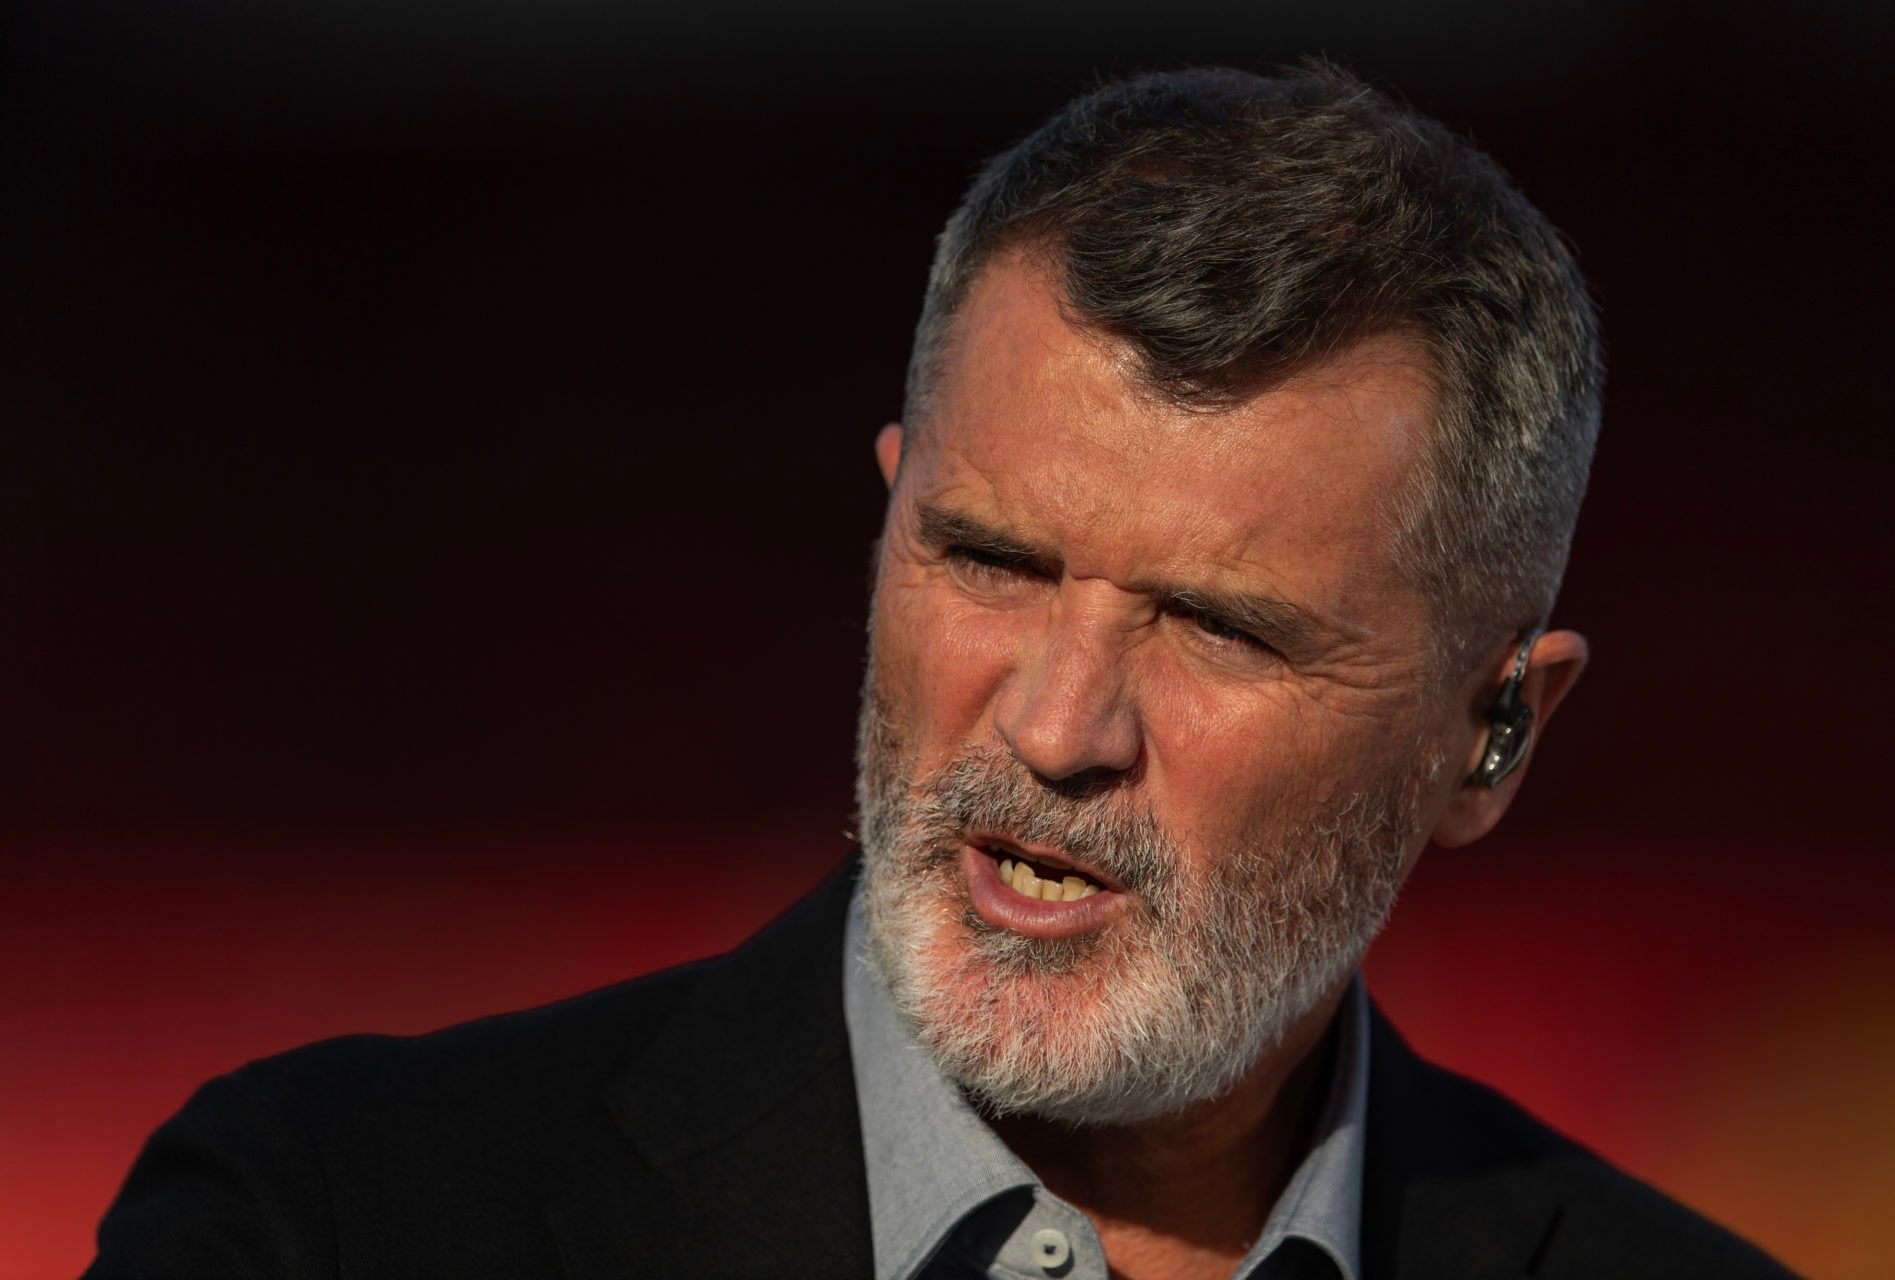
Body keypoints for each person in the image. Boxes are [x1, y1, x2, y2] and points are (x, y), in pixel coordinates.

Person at [88, 63, 1794, 1279]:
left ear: (1494, 732)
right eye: (988, 561)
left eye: (1218, 628)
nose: (1054, 727)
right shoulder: (326, 1225)